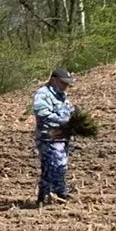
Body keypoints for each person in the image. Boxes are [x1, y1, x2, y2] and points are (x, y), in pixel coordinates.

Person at [33, 68, 76, 205]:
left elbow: (66, 111)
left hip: (62, 137)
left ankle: (46, 194)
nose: (66, 86)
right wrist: (64, 121)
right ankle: (59, 192)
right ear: (53, 80)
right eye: (63, 83)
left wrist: (75, 115)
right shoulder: (43, 94)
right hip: (48, 137)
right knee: (58, 164)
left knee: (52, 167)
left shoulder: (61, 95)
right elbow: (42, 113)